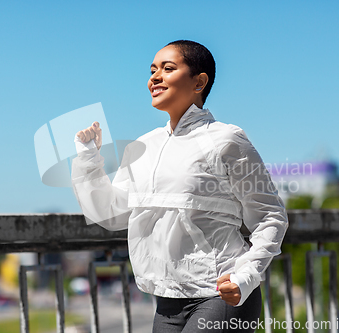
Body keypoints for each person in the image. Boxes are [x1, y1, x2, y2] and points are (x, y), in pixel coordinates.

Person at [71, 40, 288, 332]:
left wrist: (245, 277)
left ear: (199, 82)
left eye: (168, 68)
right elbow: (112, 214)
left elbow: (271, 216)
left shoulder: (226, 139)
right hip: (167, 301)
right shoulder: (142, 146)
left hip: (221, 294)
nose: (154, 77)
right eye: (152, 70)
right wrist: (89, 158)